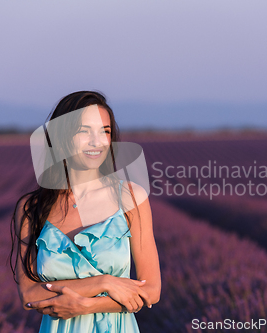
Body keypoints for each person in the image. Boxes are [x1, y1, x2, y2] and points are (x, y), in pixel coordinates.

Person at [9, 91, 161, 333]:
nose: (96, 141)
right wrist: (104, 282)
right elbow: (29, 294)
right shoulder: (31, 209)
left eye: (105, 131)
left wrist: (85, 306)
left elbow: (151, 290)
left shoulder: (131, 197)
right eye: (84, 131)